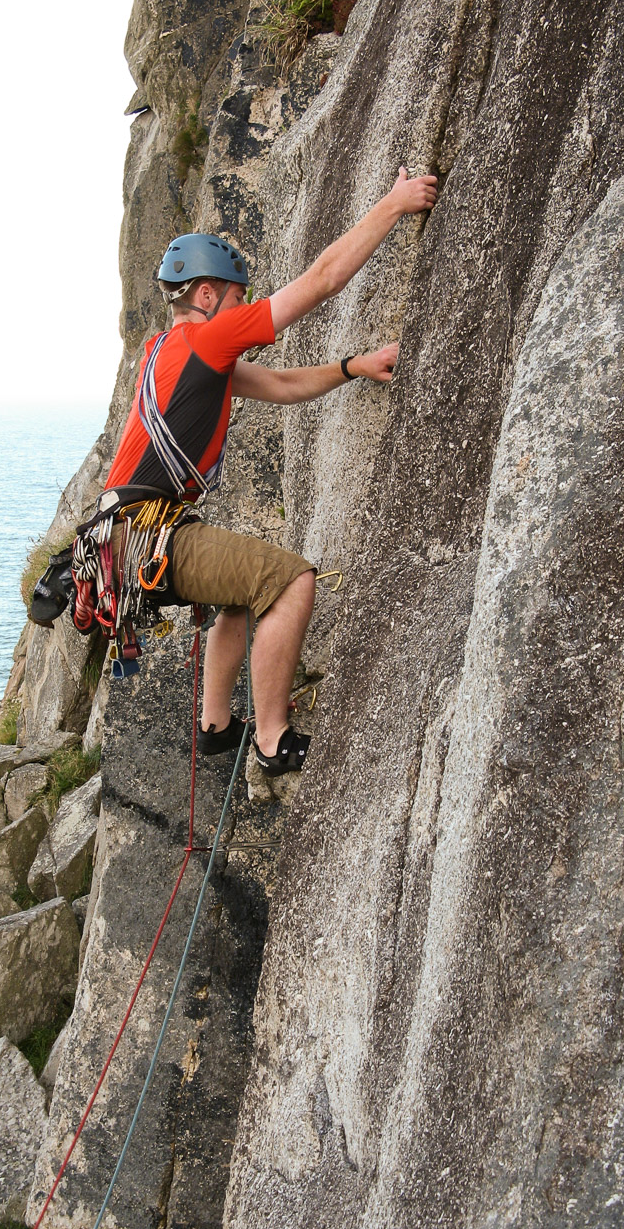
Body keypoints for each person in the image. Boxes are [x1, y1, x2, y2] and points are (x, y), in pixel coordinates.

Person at [103, 166, 438, 774]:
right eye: (236, 298)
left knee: (240, 595)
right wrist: (394, 205)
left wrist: (349, 367)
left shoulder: (165, 354)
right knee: (288, 582)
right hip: (148, 532)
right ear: (207, 295)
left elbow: (282, 385)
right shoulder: (210, 340)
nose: (242, 310)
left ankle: (215, 727)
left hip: (121, 541)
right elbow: (323, 280)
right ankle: (270, 741)